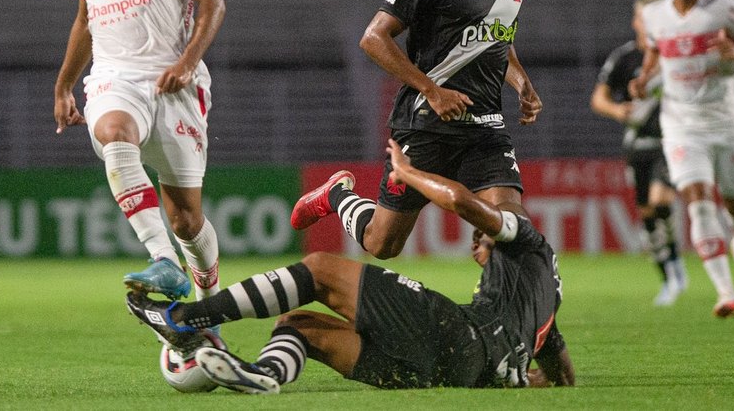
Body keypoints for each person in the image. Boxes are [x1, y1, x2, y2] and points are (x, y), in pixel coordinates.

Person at [126, 138, 575, 393]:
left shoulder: (525, 238)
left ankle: (184, 318)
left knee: (320, 269)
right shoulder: (545, 305)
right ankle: (264, 374)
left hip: (457, 337)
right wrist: (522, 379)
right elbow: (562, 379)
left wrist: (406, 172)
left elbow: (461, 201)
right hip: (452, 376)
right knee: (298, 324)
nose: (478, 244)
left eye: (483, 239)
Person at [290, 0, 543, 260]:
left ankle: (505, 302)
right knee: (382, 244)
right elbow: (373, 38)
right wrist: (432, 90)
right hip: (425, 123)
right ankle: (336, 194)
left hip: (485, 125)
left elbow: (498, 40)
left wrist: (522, 83)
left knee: (511, 220)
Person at [53, 0, 227, 302]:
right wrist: (65, 85)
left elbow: (213, 2)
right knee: (113, 131)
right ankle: (163, 261)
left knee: (187, 220)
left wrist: (187, 63)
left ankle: (211, 303)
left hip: (174, 84)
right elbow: (85, 20)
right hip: (114, 79)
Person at [629, 0, 734, 319]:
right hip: (681, 123)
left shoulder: (724, 8)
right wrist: (644, 79)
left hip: (727, 120)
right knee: (696, 197)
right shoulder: (654, 14)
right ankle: (726, 293)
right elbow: (655, 53)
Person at [591, 0, 688, 307]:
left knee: (661, 203)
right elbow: (599, 99)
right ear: (636, 22)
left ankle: (674, 262)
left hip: (671, 141)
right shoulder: (624, 58)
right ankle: (669, 275)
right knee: (647, 214)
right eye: (644, 18)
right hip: (637, 145)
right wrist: (618, 112)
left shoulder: (675, 55)